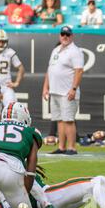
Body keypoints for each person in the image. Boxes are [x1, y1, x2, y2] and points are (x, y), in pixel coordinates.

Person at [43, 26, 84, 155]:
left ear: (71, 36)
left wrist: (73, 88)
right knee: (59, 120)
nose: (64, 37)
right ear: (59, 36)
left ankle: (72, 147)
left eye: (67, 34)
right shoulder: (56, 50)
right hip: (55, 91)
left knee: (68, 120)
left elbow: (79, 71)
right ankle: (61, 147)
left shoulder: (75, 51)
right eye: (62, 34)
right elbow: (50, 70)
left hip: (67, 92)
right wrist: (45, 87)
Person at [0, 29, 25, 122]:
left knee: (12, 113)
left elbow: (21, 68)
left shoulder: (10, 52)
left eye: (2, 41)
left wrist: (16, 82)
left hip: (6, 87)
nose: (0, 44)